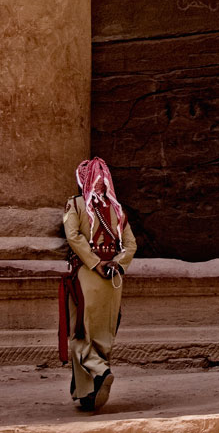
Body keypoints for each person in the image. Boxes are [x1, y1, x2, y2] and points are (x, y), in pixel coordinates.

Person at [58, 157, 137, 412]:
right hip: (113, 279)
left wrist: (94, 262)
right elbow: (131, 245)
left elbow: (72, 235)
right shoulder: (118, 210)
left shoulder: (77, 204)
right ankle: (88, 393)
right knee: (103, 333)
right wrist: (117, 263)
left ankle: (101, 373)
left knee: (80, 332)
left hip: (86, 275)